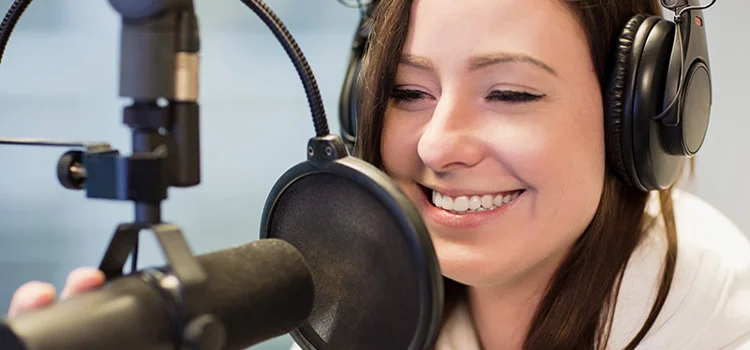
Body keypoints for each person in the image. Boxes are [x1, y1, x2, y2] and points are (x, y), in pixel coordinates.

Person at [7, 0, 750, 349]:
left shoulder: (716, 318)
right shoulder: (400, 302)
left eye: (512, 93)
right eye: (406, 91)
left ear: (638, 119)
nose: (438, 145)